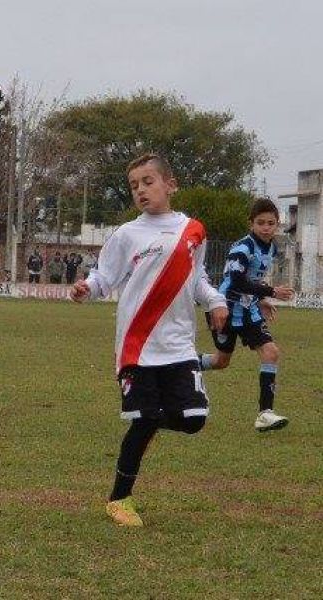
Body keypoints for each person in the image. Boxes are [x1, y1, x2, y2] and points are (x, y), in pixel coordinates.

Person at [71, 153, 227, 527]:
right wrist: (85, 288)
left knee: (193, 419)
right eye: (134, 185)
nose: (141, 190)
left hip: (178, 345)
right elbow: (103, 277)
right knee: (143, 420)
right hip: (137, 346)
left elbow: (198, 279)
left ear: (170, 185)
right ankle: (119, 500)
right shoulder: (127, 234)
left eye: (148, 181)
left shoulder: (194, 231)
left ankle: (152, 419)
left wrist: (217, 300)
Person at [197, 198, 295, 431]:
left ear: (277, 224)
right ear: (251, 224)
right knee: (221, 361)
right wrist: (271, 292)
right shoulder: (242, 248)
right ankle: (183, 365)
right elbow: (237, 281)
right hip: (225, 309)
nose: (266, 227)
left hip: (249, 310)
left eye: (271, 223)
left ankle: (265, 414)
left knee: (271, 352)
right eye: (260, 222)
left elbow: (252, 280)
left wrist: (260, 300)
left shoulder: (271, 247)